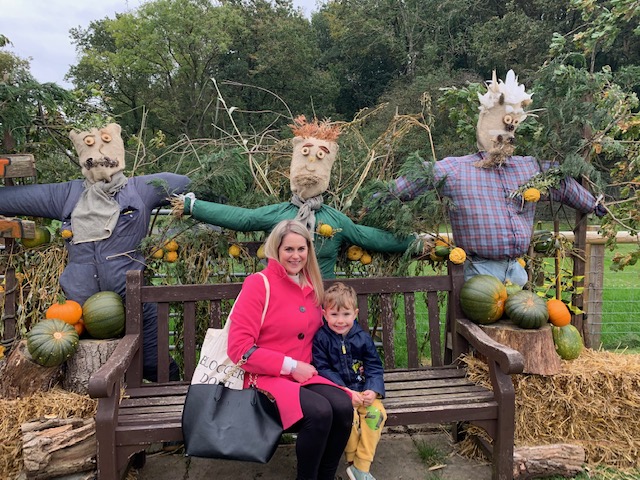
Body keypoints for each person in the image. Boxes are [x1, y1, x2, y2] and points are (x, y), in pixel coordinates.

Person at [0, 123, 190, 381]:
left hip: (133, 300)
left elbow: (188, 182)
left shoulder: (139, 189)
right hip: (79, 310)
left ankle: (175, 406)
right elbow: (12, 198)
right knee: (81, 371)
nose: (100, 161)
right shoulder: (67, 194)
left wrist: (181, 195)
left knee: (156, 366)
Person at [382, 70, 606, 286]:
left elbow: (561, 182)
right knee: (482, 318)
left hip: (517, 271)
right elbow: (419, 176)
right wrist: (379, 198)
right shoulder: (457, 169)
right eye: (506, 123)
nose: (508, 131)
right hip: (477, 272)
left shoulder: (528, 168)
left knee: (522, 320)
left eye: (513, 126)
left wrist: (594, 204)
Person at [174, 115, 419, 278]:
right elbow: (243, 218)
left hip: (319, 304)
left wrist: (414, 241)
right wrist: (193, 206)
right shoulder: (280, 214)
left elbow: (369, 237)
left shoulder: (335, 220)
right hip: (280, 304)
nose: (311, 166)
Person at [226, 219, 353, 480]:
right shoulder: (258, 284)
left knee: (342, 407)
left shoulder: (312, 286)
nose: (296, 256)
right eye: (289, 250)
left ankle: (326, 476)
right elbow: (239, 349)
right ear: (276, 249)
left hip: (306, 374)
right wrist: (290, 366)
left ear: (309, 250)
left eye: (301, 249)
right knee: (319, 412)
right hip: (265, 377)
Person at [312, 282, 386, 480]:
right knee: (347, 419)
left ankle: (361, 466)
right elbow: (322, 368)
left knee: (376, 415)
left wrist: (373, 390)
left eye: (346, 314)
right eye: (334, 315)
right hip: (340, 394)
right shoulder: (321, 339)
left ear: (355, 313)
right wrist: (344, 390)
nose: (340, 321)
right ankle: (353, 462)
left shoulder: (363, 338)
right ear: (324, 314)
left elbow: (374, 366)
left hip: (363, 392)